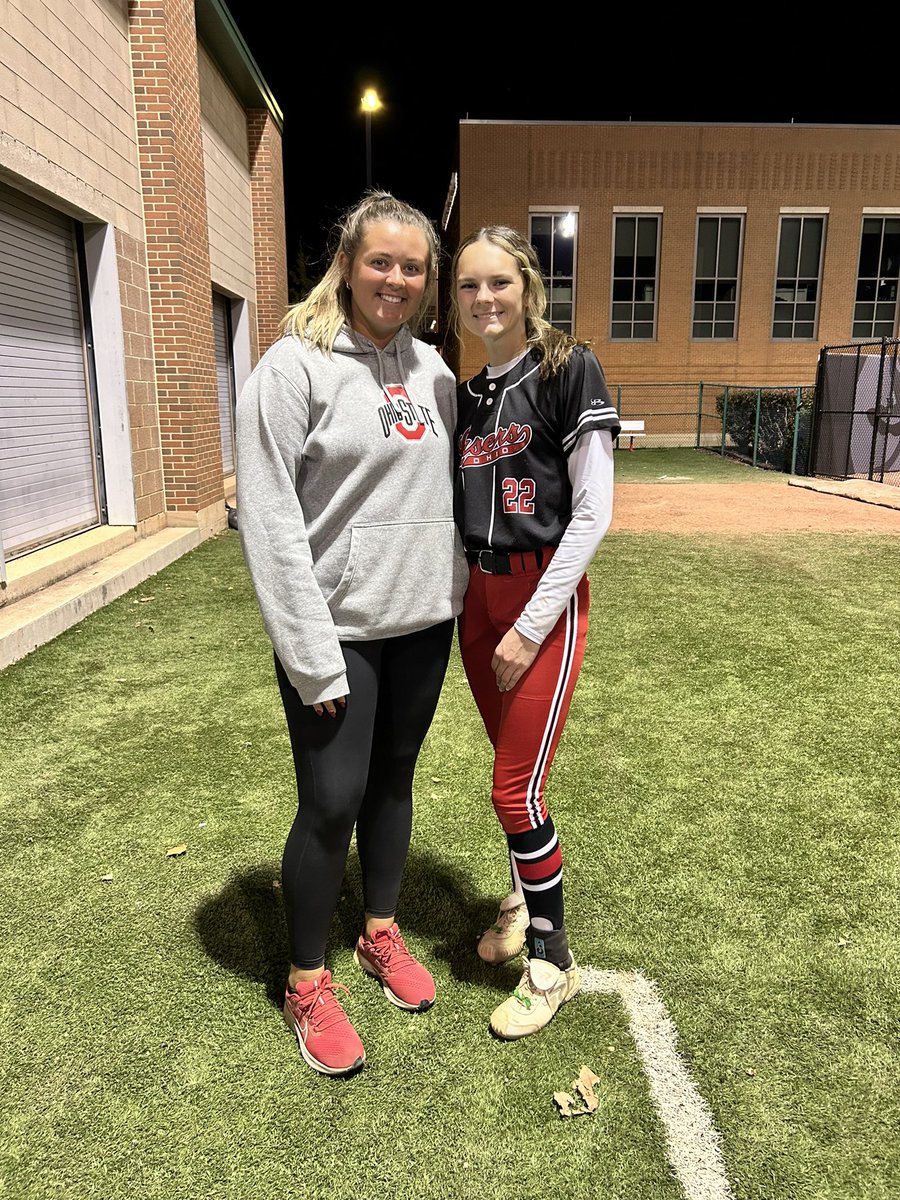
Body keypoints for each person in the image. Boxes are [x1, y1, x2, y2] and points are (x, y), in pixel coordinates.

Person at [235, 191, 468, 1077]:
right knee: (332, 801)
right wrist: (307, 651)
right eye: (381, 262)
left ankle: (377, 931)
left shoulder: (437, 373)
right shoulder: (294, 368)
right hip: (336, 629)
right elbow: (268, 516)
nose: (397, 279)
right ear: (346, 262)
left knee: (395, 781)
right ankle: (305, 979)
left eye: (413, 267)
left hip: (421, 623)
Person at [450, 225, 620, 1040]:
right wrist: (469, 612)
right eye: (469, 286)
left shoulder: (566, 366)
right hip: (478, 602)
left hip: (538, 598)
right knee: (510, 778)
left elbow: (592, 512)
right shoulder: (470, 391)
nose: (485, 298)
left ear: (527, 285)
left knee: (515, 789)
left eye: (499, 283)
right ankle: (522, 898)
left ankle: (551, 961)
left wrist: (531, 621)